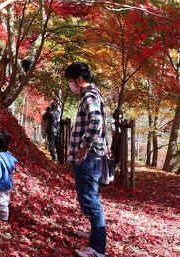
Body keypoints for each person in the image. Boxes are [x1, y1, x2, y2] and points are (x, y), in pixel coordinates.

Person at [65, 62, 107, 257]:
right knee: (91, 197)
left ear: (79, 80)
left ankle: (98, 248)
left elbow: (96, 120)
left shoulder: (89, 96)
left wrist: (84, 147)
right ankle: (94, 235)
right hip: (93, 155)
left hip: (88, 157)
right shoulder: (95, 94)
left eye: (70, 82)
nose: (70, 86)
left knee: (89, 200)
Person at [0, 130, 18, 222]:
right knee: (2, 199)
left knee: (2, 202)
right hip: (7, 183)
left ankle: (3, 219)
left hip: (1, 185)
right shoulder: (8, 155)